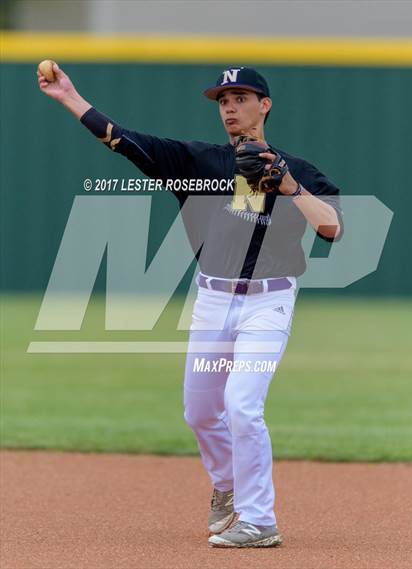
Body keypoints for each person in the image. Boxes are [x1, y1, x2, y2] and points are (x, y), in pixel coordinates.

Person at [38, 64, 342, 548]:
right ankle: (227, 486)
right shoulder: (195, 162)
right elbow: (124, 140)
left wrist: (289, 186)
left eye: (240, 97)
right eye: (223, 100)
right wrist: (71, 99)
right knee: (200, 413)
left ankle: (260, 519)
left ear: (264, 105)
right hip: (212, 300)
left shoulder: (298, 170)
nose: (229, 107)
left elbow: (332, 228)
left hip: (270, 302)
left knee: (242, 407)